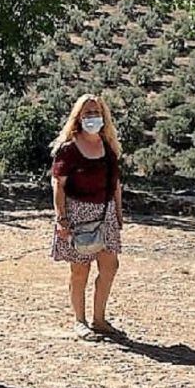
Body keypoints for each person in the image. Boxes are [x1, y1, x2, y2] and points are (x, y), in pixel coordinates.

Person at [50, 93, 125, 341]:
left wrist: (119, 212)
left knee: (109, 266)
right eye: (88, 113)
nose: (93, 118)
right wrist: (61, 218)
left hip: (106, 215)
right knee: (80, 270)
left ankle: (99, 319)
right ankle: (79, 321)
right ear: (78, 117)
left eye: (97, 113)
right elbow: (58, 183)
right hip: (78, 214)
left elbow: (116, 184)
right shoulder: (69, 149)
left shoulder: (108, 147)